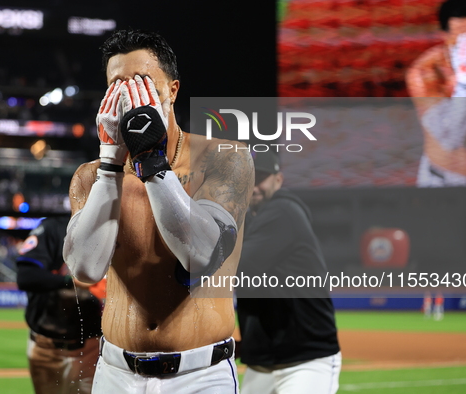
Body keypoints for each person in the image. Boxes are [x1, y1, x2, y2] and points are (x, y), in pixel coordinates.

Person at [62, 29, 254, 393]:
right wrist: (109, 165)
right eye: (117, 85)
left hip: (199, 377)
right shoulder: (89, 176)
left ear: (173, 91)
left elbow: (200, 256)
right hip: (116, 373)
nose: (129, 95)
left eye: (143, 82)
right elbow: (85, 269)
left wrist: (152, 160)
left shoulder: (225, 157)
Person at [236, 151, 341, 394]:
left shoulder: (284, 211)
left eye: (260, 177)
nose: (254, 186)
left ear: (278, 180)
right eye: (248, 178)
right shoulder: (247, 220)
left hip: (306, 360)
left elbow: (238, 268)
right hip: (261, 362)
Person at [406, 0, 466, 187]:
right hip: (445, 179)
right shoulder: (426, 71)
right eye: (463, 36)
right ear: (444, 35)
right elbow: (450, 138)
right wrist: (464, 82)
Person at [16, 215, 104, 394]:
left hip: (93, 349)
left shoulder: (114, 228)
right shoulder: (53, 228)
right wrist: (71, 282)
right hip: (47, 348)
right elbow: (26, 276)